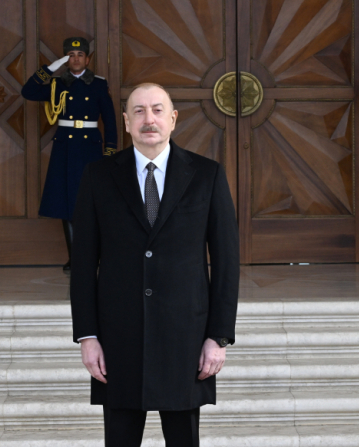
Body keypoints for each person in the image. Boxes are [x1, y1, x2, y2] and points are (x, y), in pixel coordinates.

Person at [70, 83, 239, 447]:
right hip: (118, 340)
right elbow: (83, 263)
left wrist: (219, 336)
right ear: (127, 122)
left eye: (158, 110)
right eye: (140, 111)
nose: (150, 119)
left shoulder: (207, 175)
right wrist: (87, 336)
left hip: (185, 339)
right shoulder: (98, 176)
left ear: (173, 119)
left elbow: (226, 262)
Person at [21, 37, 118, 271]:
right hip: (65, 148)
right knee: (67, 204)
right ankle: (75, 257)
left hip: (89, 149)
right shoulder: (57, 84)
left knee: (90, 204)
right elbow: (29, 91)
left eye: (80, 55)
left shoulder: (97, 84)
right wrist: (51, 68)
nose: (76, 59)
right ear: (66, 59)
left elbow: (110, 120)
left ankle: (92, 256)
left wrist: (110, 151)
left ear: (88, 58)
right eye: (71, 55)